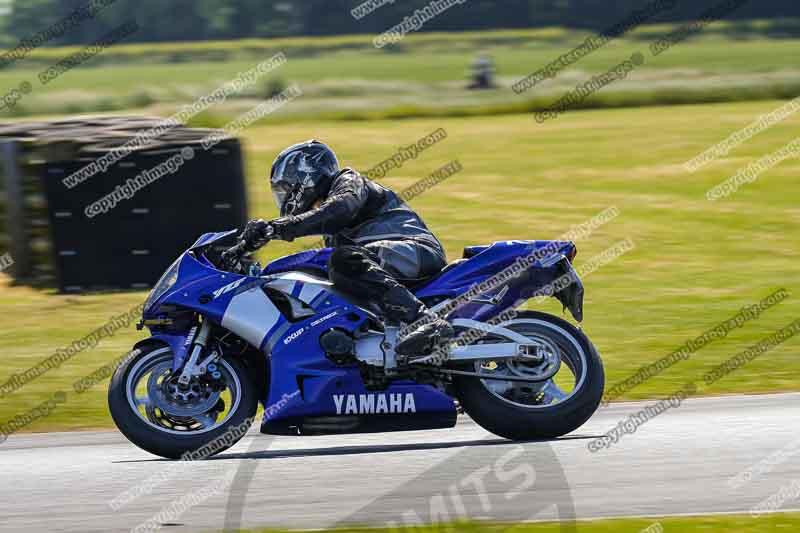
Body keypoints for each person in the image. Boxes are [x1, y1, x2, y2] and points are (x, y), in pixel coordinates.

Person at [240, 139, 454, 360]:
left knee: (345, 260)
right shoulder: (330, 232)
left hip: (416, 250)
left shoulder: (348, 182)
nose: (283, 197)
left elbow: (339, 209)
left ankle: (429, 322)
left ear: (305, 176)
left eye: (285, 188)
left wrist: (277, 228)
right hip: (390, 259)